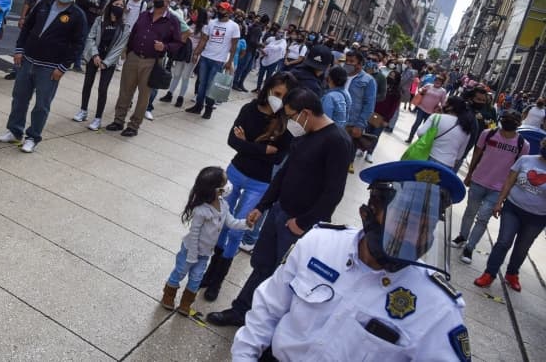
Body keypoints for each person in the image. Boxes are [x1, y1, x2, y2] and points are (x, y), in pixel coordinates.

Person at [231, 160, 469, 361]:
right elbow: (268, 309)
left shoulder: (439, 309)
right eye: (404, 221)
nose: (414, 237)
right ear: (367, 214)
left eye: (426, 226)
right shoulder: (319, 243)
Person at [206, 88, 354, 328]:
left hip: (301, 224)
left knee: (286, 277)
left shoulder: (337, 141)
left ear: (306, 112)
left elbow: (333, 193)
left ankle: (268, 325)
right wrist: (263, 206)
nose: (289, 122)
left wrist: (303, 223)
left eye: (291, 116)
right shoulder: (304, 134)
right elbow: (284, 173)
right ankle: (241, 310)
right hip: (278, 212)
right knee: (262, 265)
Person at [199, 72, 295, 302]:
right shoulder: (249, 109)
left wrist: (247, 144)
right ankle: (208, 273)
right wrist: (262, 148)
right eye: (277, 93)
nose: (279, 99)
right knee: (220, 222)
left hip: (260, 183)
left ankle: (218, 281)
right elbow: (232, 142)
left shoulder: (287, 123)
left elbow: (279, 157)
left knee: (237, 230)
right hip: (234, 174)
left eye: (285, 96)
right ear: (268, 89)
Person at [0, 0, 86, 152]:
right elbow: (27, 28)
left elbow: (78, 45)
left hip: (50, 68)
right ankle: (14, 130)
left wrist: (63, 67)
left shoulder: (77, 15)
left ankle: (33, 136)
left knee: (42, 105)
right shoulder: (43, 5)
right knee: (19, 98)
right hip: (27, 60)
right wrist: (19, 49)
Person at [161, 166, 248, 316]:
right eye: (225, 183)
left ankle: (186, 303)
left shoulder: (224, 206)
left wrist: (247, 223)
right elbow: (194, 234)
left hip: (205, 253)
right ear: (215, 189)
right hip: (190, 251)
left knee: (196, 278)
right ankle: (168, 295)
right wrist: (192, 255)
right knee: (180, 272)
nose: (228, 186)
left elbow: (232, 222)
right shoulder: (201, 210)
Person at [453, 111, 529, 265]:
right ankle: (462, 235)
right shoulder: (488, 134)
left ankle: (470, 248)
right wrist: (469, 174)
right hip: (478, 180)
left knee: (482, 219)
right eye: (507, 119)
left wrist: (506, 193)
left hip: (498, 188)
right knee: (470, 211)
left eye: (513, 120)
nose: (509, 122)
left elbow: (518, 170)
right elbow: (476, 154)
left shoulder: (523, 145)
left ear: (519, 124)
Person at [106, 0, 181, 137]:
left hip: (152, 61)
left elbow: (178, 42)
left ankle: (133, 126)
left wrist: (165, 47)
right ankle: (118, 120)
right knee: (125, 91)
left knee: (144, 95)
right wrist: (128, 52)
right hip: (133, 57)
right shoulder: (144, 15)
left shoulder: (173, 20)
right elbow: (134, 33)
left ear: (169, 2)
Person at [474, 146, 546, 293]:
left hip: (537, 217)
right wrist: (499, 201)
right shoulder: (525, 160)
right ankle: (489, 273)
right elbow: (509, 181)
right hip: (513, 208)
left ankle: (512, 273)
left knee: (522, 247)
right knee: (504, 241)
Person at [75, 0, 129, 131]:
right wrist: (94, 55)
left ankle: (98, 118)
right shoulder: (100, 20)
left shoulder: (124, 27)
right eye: (116, 4)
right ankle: (83, 110)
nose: (119, 7)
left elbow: (119, 47)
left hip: (108, 61)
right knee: (87, 83)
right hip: (94, 57)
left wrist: (106, 62)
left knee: (102, 89)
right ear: (110, 5)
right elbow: (90, 37)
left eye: (122, 5)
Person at [7, 0, 63, 81]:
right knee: (21, 43)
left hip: (43, 24)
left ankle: (25, 70)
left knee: (32, 46)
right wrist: (22, 17)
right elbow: (28, 1)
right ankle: (15, 69)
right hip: (31, 19)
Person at [188, 1, 239, 118]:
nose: (219, 11)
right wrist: (196, 53)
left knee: (212, 86)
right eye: (219, 9)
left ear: (229, 12)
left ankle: (208, 109)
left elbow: (234, 46)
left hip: (219, 60)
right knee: (201, 84)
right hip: (205, 57)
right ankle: (198, 106)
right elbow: (204, 40)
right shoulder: (211, 23)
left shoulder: (234, 26)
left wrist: (230, 61)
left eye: (223, 9)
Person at [161, 7, 207, 108]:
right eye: (193, 12)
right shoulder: (187, 22)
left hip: (192, 54)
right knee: (176, 73)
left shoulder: (204, 27)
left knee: (186, 76)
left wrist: (196, 54)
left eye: (195, 13)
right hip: (182, 51)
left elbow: (203, 42)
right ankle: (170, 94)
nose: (193, 14)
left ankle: (180, 98)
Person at [345, 51, 378, 162]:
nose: (348, 64)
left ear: (359, 64)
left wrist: (360, 125)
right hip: (334, 120)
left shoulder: (368, 80)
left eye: (351, 62)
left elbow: (369, 105)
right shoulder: (340, 75)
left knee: (345, 156)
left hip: (351, 123)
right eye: (347, 61)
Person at [74, 0, 108, 72]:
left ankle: (77, 63)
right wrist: (92, 7)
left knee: (83, 42)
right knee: (75, 40)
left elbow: (101, 9)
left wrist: (89, 6)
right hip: (80, 19)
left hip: (92, 22)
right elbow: (81, 2)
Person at [407, 74, 448, 142]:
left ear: (442, 83)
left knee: (426, 128)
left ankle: (420, 141)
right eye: (436, 80)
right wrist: (421, 90)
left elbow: (443, 102)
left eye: (439, 81)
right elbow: (420, 90)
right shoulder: (428, 85)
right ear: (434, 80)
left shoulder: (443, 91)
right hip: (421, 108)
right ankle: (410, 138)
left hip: (431, 112)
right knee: (417, 123)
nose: (437, 82)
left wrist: (441, 108)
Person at [234, 14, 266, 92]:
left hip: (251, 51)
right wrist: (260, 44)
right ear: (266, 23)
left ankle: (240, 83)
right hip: (249, 50)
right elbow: (253, 41)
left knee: (247, 69)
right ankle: (235, 83)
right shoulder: (258, 28)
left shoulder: (256, 27)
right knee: (242, 68)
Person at [255, 26, 286, 92]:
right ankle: (258, 88)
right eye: (279, 32)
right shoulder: (271, 38)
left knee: (268, 77)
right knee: (260, 74)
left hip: (274, 61)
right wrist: (263, 50)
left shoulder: (283, 42)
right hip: (265, 58)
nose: (280, 33)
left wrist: (270, 47)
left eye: (282, 33)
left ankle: (264, 90)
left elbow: (280, 48)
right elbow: (264, 45)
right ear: (276, 32)